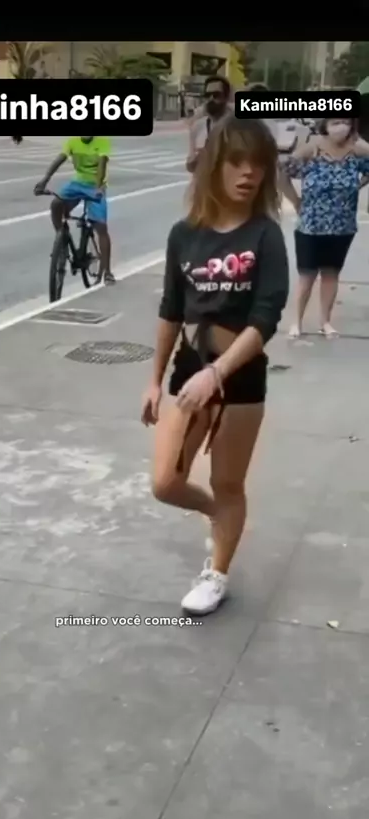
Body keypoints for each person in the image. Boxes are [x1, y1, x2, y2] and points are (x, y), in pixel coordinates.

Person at [141, 115, 289, 616]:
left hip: (240, 377)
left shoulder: (265, 235)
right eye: (237, 162)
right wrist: (153, 380)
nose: (249, 173)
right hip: (189, 368)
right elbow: (170, 310)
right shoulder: (184, 235)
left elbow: (265, 318)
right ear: (214, 166)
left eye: (258, 164)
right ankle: (217, 515)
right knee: (166, 482)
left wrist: (218, 372)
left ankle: (217, 574)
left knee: (229, 483)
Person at [280, 118, 369, 338]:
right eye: (336, 121)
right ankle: (297, 322)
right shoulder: (312, 150)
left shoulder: (356, 153)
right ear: (326, 125)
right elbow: (282, 174)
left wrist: (357, 186)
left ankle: (325, 322)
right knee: (307, 275)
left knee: (331, 273)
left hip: (342, 226)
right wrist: (296, 202)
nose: (341, 127)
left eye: (346, 122)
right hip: (311, 225)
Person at [34, 136, 116, 285]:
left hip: (95, 186)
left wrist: (98, 188)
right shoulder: (73, 141)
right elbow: (60, 159)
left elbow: (102, 165)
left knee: (101, 227)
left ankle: (108, 272)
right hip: (77, 184)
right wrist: (45, 180)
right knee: (56, 204)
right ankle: (61, 238)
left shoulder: (102, 141)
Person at [186, 74, 232, 173]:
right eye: (207, 95)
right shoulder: (197, 127)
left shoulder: (239, 126)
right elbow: (190, 166)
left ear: (226, 97)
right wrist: (195, 160)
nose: (211, 99)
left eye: (216, 95)